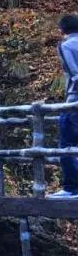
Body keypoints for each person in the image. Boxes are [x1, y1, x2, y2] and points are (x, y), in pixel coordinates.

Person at [52, 14, 78, 199]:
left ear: (62, 29)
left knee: (66, 145)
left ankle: (71, 188)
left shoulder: (66, 45)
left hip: (75, 99)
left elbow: (74, 73)